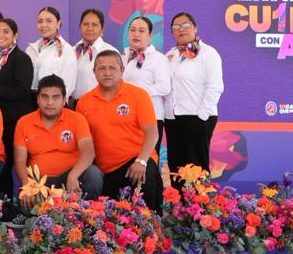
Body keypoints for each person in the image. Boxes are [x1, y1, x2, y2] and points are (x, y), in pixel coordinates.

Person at [76, 51, 161, 209]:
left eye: (112, 68)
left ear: (122, 70)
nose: (107, 73)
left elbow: (152, 132)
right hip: (106, 171)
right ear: (94, 72)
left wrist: (141, 161)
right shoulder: (84, 102)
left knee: (146, 174)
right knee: (112, 216)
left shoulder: (138, 95)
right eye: (102, 68)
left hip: (136, 162)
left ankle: (152, 222)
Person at [13, 75, 102, 210]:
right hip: (38, 182)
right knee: (29, 211)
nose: (49, 102)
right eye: (45, 97)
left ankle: (84, 214)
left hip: (70, 178)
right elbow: (20, 160)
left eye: (55, 97)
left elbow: (88, 152)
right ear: (37, 99)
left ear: (64, 99)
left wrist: (73, 175)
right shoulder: (24, 122)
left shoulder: (77, 119)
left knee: (93, 174)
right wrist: (27, 185)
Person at [164, 11, 224, 174]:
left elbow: (215, 86)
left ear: (195, 27)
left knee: (196, 168)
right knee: (176, 167)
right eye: (176, 27)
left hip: (197, 116)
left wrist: (202, 115)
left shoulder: (208, 53)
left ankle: (198, 193)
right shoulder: (170, 55)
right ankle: (177, 193)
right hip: (173, 118)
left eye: (185, 25)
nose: (181, 29)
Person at [0, 17, 35, 204]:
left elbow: (22, 91)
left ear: (16, 35)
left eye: (6, 31)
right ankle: (2, 206)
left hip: (15, 121)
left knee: (18, 164)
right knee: (3, 164)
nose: (0, 35)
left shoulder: (21, 58)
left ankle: (26, 205)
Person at [122, 15, 171, 163]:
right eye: (132, 30)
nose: (136, 34)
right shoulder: (122, 57)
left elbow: (164, 87)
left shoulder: (158, 58)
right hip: (126, 116)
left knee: (148, 161)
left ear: (150, 35)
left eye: (141, 31)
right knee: (127, 158)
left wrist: (136, 93)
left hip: (150, 116)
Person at [27, 6, 77, 99]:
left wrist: (56, 101)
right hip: (30, 101)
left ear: (58, 23)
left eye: (49, 21)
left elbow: (68, 84)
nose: (43, 25)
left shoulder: (67, 50)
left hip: (53, 101)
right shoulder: (30, 49)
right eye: (40, 21)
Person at [71, 9, 119, 102]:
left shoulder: (110, 52)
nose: (89, 28)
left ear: (102, 29)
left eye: (94, 25)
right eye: (86, 24)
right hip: (73, 105)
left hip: (98, 104)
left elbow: (116, 84)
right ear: (80, 27)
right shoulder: (72, 50)